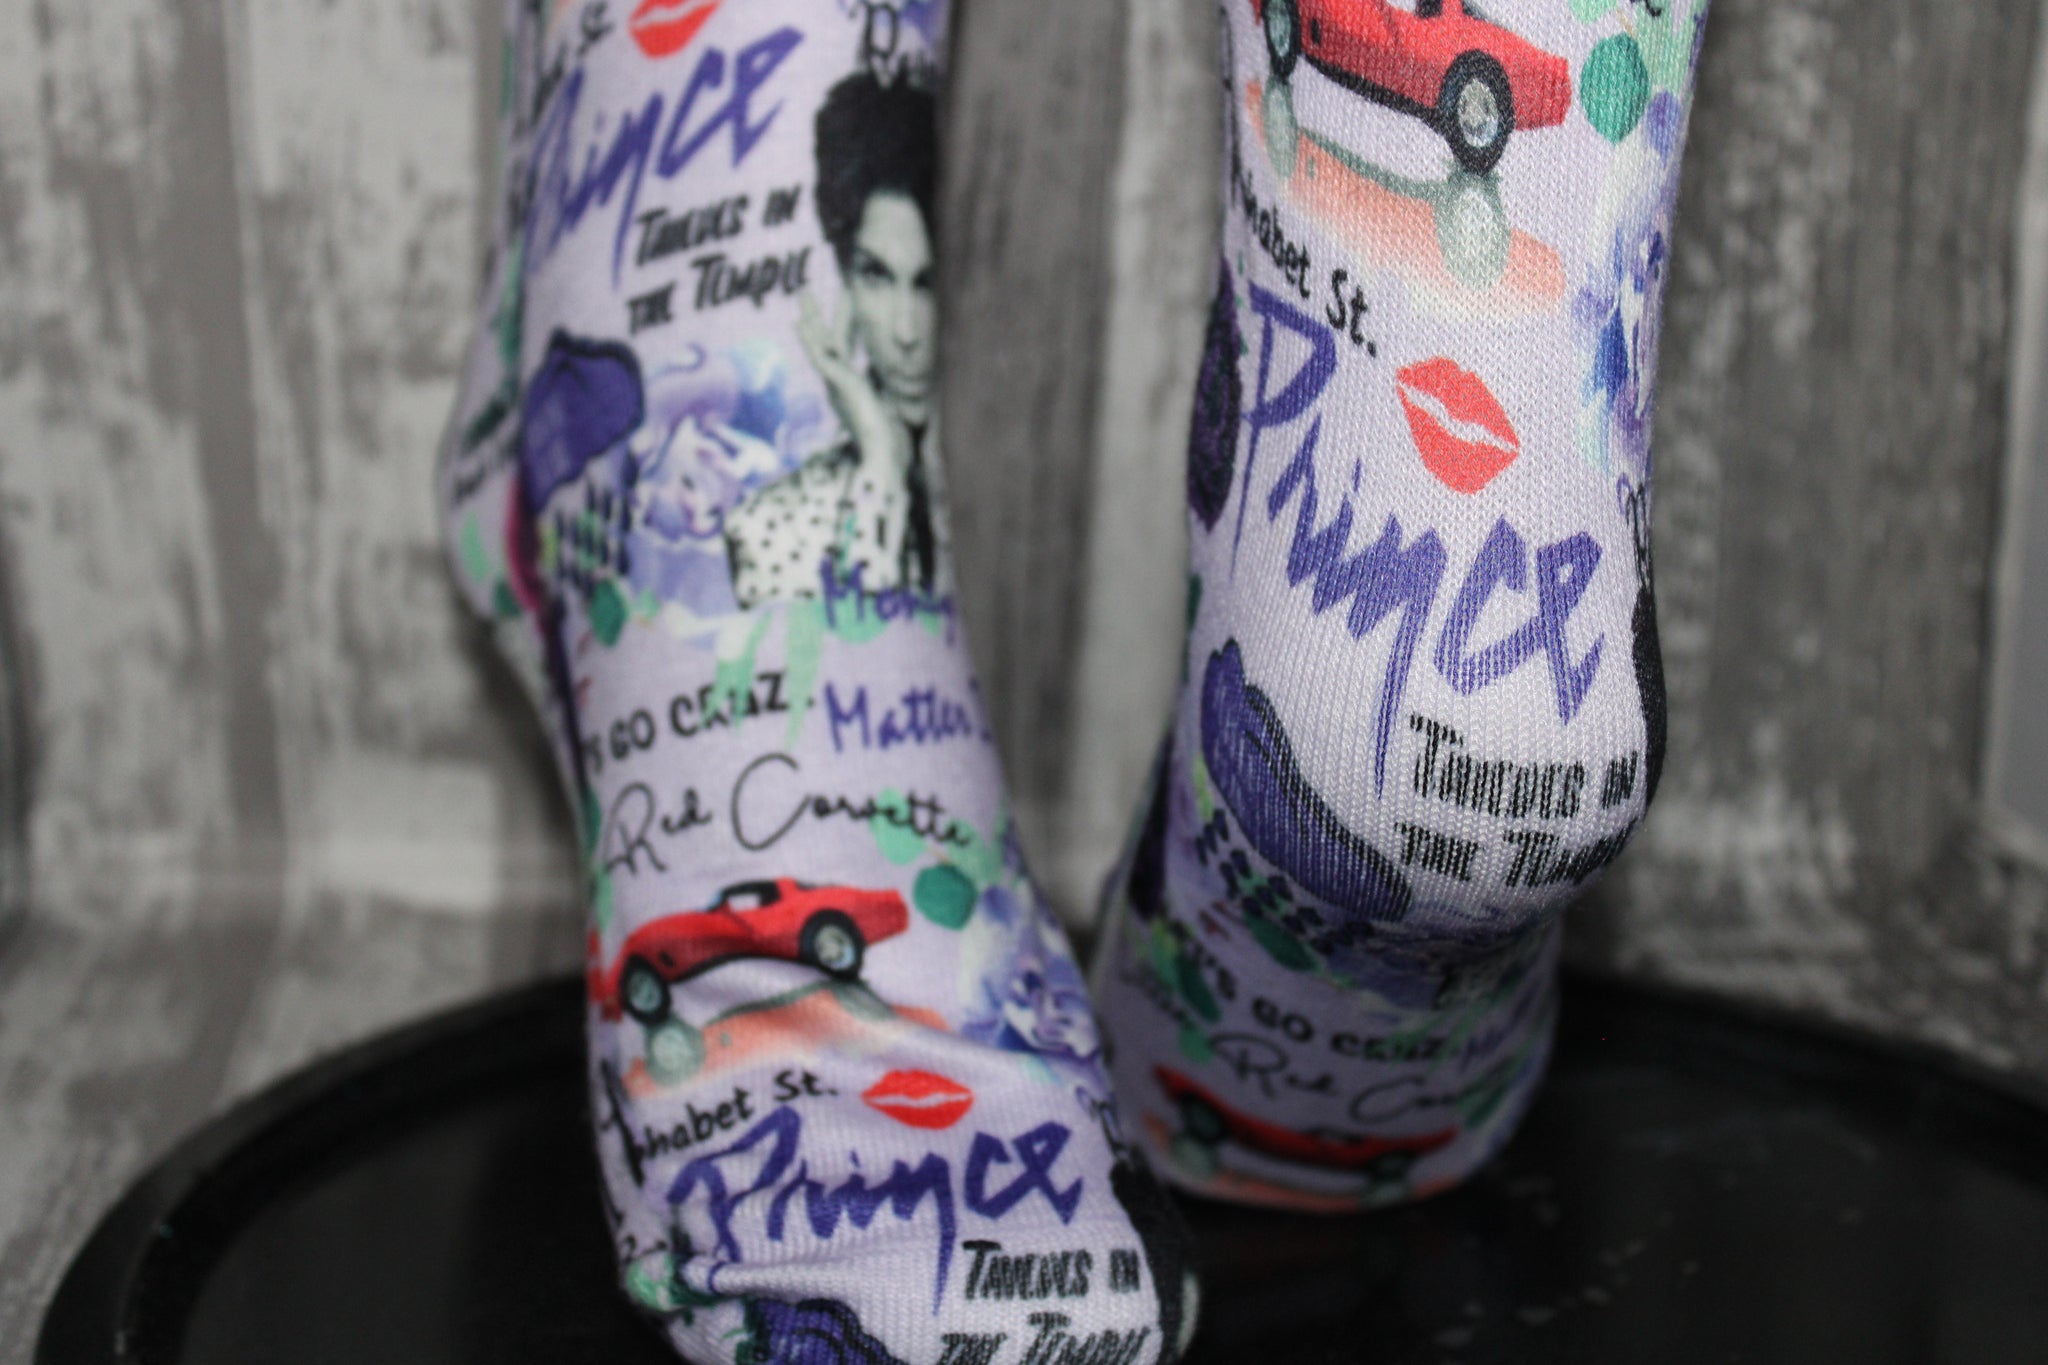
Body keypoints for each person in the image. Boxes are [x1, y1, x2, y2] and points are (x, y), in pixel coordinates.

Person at [722, 71, 946, 609]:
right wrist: (879, 461)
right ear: (845, 279)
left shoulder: (1019, 490)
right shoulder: (774, 528)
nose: (906, 333)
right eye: (877, 276)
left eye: (929, 283)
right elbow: (869, 649)